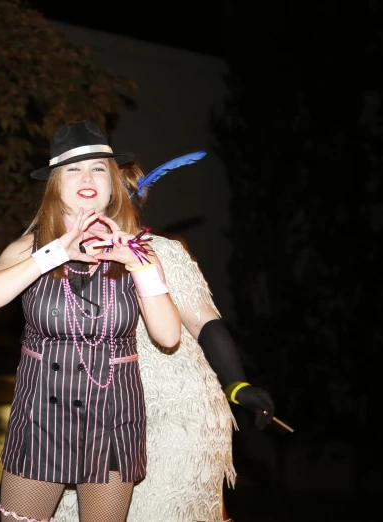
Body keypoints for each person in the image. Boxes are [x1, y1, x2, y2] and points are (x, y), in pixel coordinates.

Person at [0, 120, 182, 522]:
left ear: (113, 184)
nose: (87, 177)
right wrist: (54, 253)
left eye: (98, 168)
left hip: (113, 416)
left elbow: (169, 335)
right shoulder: (30, 248)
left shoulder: (138, 251)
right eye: (73, 169)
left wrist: (138, 265)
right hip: (40, 417)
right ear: (56, 184)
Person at [53, 163, 277, 522]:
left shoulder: (157, 250)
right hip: (100, 416)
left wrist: (237, 385)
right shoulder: (61, 256)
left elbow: (205, 323)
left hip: (175, 416)